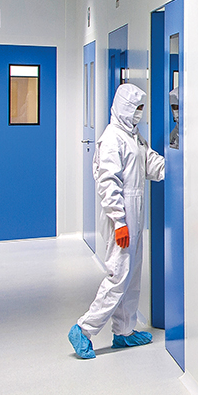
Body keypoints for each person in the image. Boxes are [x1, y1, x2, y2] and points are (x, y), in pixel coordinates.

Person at [68, 82, 165, 360]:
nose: (139, 113)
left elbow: (150, 164)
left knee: (132, 275)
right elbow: (107, 182)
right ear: (124, 107)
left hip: (135, 212)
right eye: (136, 108)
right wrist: (119, 221)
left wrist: (180, 162)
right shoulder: (112, 138)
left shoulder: (133, 136)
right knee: (118, 275)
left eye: (141, 108)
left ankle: (124, 331)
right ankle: (83, 329)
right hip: (120, 216)